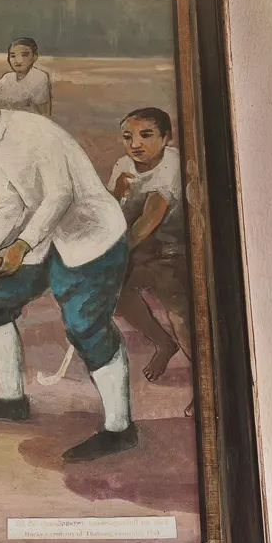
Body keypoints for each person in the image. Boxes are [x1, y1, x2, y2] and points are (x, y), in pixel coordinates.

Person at [0, 74, 136, 464]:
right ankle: (11, 399)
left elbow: (61, 194)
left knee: (85, 328)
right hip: (43, 239)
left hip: (90, 237)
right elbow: (11, 204)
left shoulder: (35, 131)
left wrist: (21, 245)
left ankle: (120, 429)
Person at [107, 107, 190, 382]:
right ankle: (164, 343)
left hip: (173, 250)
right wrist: (116, 194)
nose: (135, 144)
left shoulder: (171, 167)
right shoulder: (123, 165)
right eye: (128, 137)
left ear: (166, 138)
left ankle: (201, 381)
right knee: (118, 295)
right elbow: (112, 211)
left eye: (146, 135)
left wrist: (114, 255)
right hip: (140, 247)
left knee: (179, 312)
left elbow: (147, 221)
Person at [0, 37, 53, 116]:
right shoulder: (6, 78)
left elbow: (43, 114)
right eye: (13, 56)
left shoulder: (39, 78)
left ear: (34, 57)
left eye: (24, 55)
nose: (18, 60)